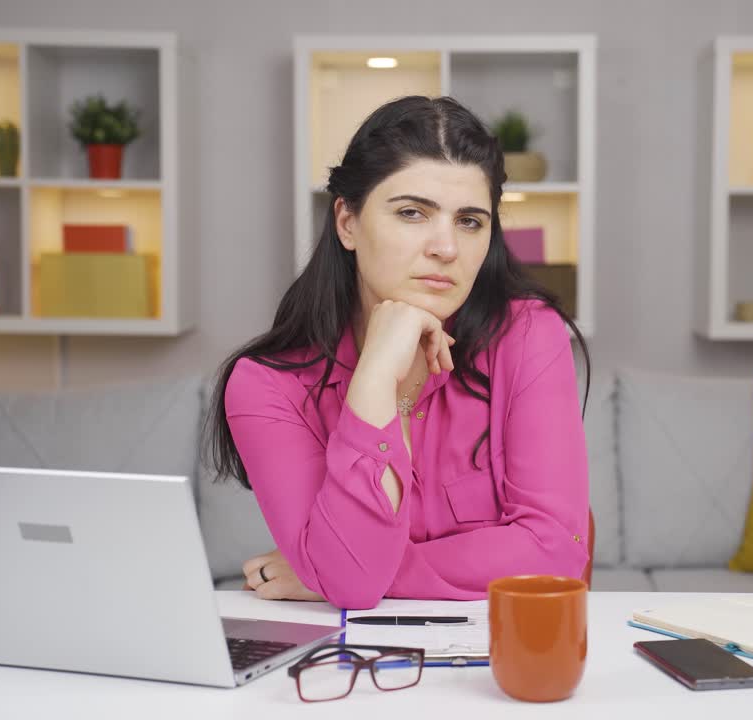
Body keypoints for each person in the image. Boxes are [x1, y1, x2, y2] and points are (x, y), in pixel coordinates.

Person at [206, 95, 591, 610]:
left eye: (470, 221)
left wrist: (327, 569)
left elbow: (554, 555)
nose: (446, 248)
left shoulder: (527, 334)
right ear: (347, 222)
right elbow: (349, 584)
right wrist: (374, 381)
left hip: (495, 657)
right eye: (412, 213)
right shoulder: (265, 384)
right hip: (348, 667)